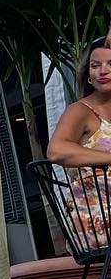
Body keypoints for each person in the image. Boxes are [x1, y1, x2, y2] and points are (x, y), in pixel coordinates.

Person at [48, 38, 111, 244]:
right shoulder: (80, 111)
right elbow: (56, 150)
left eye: (110, 64)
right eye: (95, 65)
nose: (103, 71)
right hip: (95, 209)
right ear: (88, 75)